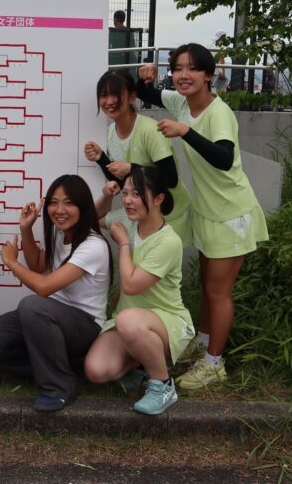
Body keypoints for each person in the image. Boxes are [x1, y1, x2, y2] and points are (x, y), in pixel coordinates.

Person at [138, 43, 268, 390]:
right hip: (208, 212)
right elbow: (145, 93)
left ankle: (214, 364)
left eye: (193, 68)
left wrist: (185, 132)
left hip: (231, 214)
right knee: (207, 285)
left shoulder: (218, 112)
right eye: (177, 68)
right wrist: (144, 78)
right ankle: (204, 341)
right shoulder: (182, 103)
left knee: (218, 291)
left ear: (209, 75)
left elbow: (224, 158)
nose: (184, 75)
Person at [0, 175, 111, 413]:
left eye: (68, 203)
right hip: (51, 317)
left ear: (83, 206)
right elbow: (37, 264)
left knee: (32, 305)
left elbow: (44, 287)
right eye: (54, 203)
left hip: (84, 324)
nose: (59, 210)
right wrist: (26, 229)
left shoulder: (93, 245)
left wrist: (12, 263)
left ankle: (59, 387)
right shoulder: (59, 233)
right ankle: (61, 367)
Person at [86, 167, 194, 415]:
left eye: (136, 194)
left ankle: (163, 385)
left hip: (166, 321)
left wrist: (123, 243)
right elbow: (90, 219)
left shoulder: (168, 241)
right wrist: (106, 196)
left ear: (158, 199)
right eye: (125, 193)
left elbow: (132, 285)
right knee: (96, 370)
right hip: (129, 322)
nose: (127, 201)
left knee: (128, 320)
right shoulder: (128, 220)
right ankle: (142, 365)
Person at [83, 69, 192, 248]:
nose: (109, 101)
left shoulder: (150, 130)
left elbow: (171, 179)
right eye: (103, 95)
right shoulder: (111, 132)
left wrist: (132, 168)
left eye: (115, 94)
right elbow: (122, 182)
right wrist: (101, 158)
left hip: (168, 214)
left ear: (132, 96)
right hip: (142, 212)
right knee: (90, 218)